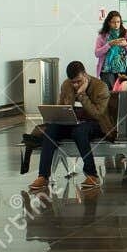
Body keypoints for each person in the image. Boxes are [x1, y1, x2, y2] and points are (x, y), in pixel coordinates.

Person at [29, 61, 110, 194]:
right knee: (51, 130)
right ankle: (43, 176)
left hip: (96, 124)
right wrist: (56, 115)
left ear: (85, 74)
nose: (75, 85)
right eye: (73, 82)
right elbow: (61, 106)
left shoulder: (100, 87)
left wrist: (82, 95)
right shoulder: (66, 85)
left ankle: (92, 175)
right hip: (72, 123)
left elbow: (98, 114)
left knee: (80, 131)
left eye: (78, 81)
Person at [95, 11, 127, 88]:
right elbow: (97, 53)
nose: (116, 24)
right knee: (110, 92)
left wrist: (126, 45)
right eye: (113, 22)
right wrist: (109, 45)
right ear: (109, 23)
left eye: (118, 22)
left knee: (124, 91)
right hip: (107, 70)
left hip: (124, 70)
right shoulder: (102, 36)